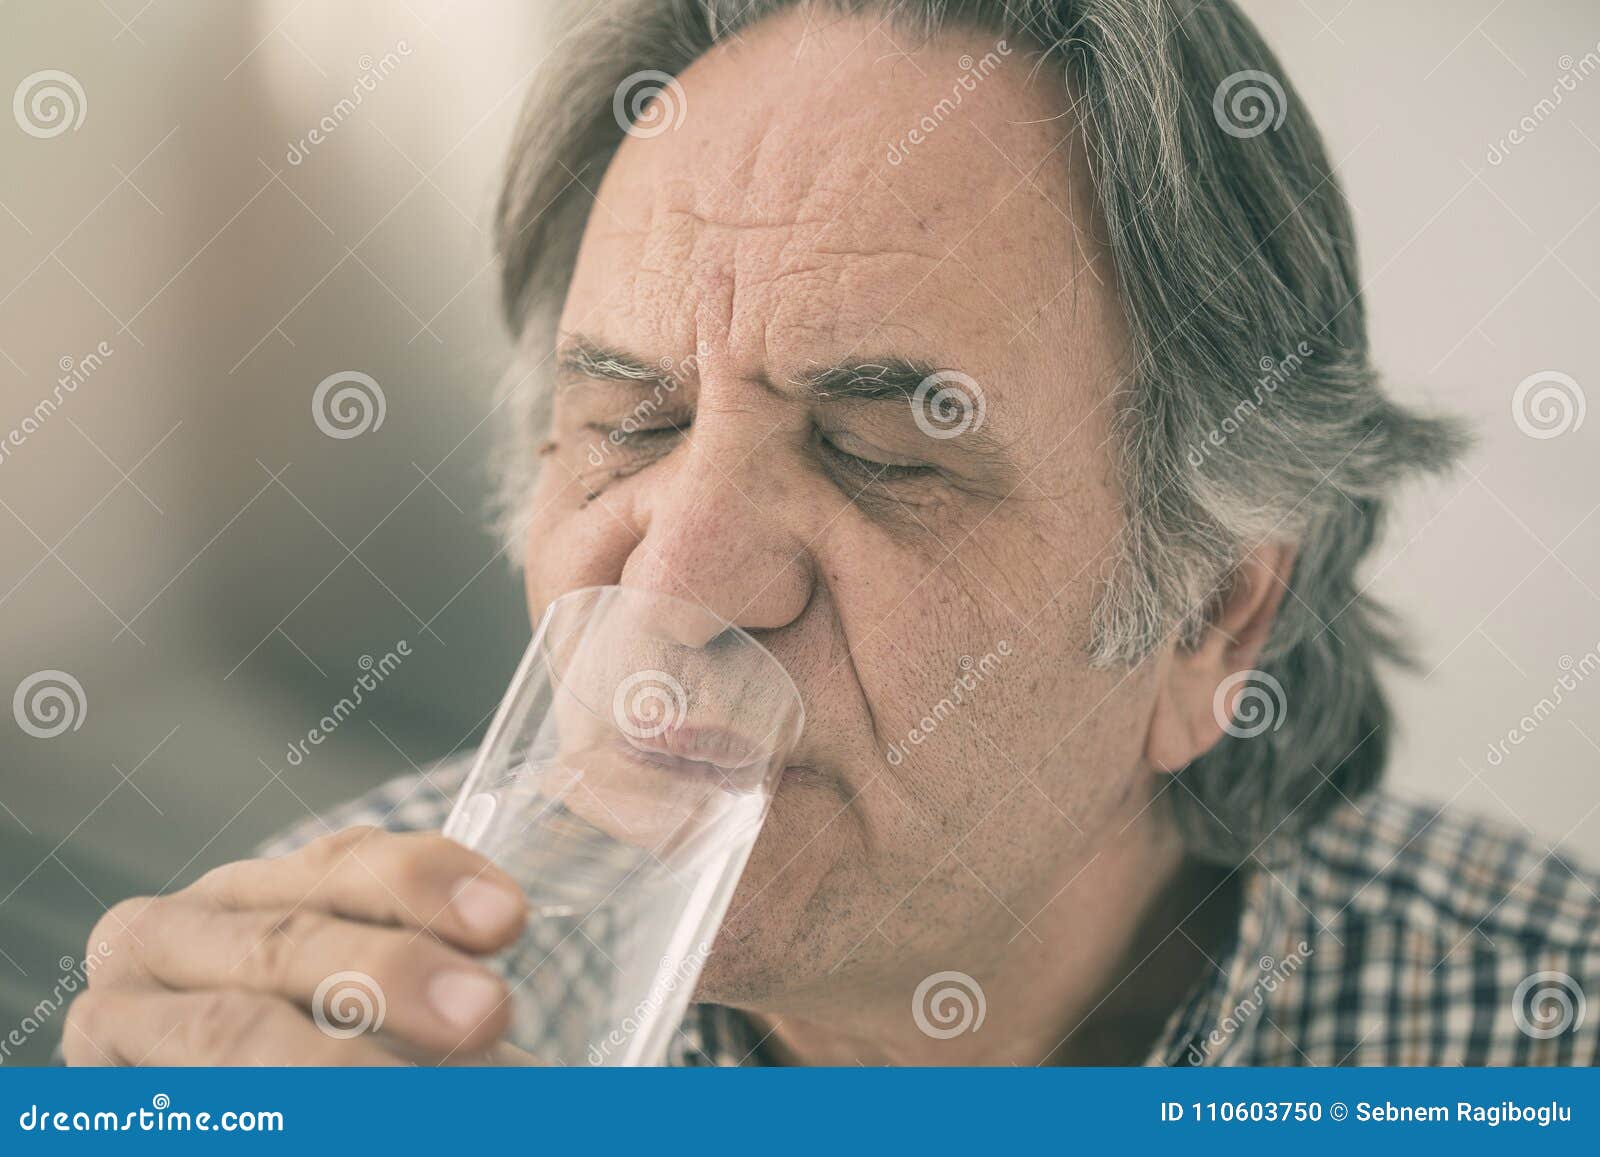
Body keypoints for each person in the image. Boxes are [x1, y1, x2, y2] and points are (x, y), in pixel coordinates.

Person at [64, 0, 1599, 1066]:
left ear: (1216, 623)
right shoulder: (340, 1016)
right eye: (630, 428)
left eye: (879, 454)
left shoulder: (1539, 1034)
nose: (675, 581)